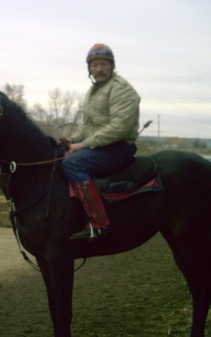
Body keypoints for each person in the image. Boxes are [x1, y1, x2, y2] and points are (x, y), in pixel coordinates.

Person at [62, 43, 140, 240]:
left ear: (112, 66)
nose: (98, 69)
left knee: (72, 162)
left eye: (103, 64)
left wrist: (84, 144)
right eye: (94, 65)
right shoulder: (94, 90)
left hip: (118, 147)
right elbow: (88, 125)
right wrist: (72, 139)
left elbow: (119, 127)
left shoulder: (121, 89)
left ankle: (98, 223)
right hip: (101, 145)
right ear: (89, 68)